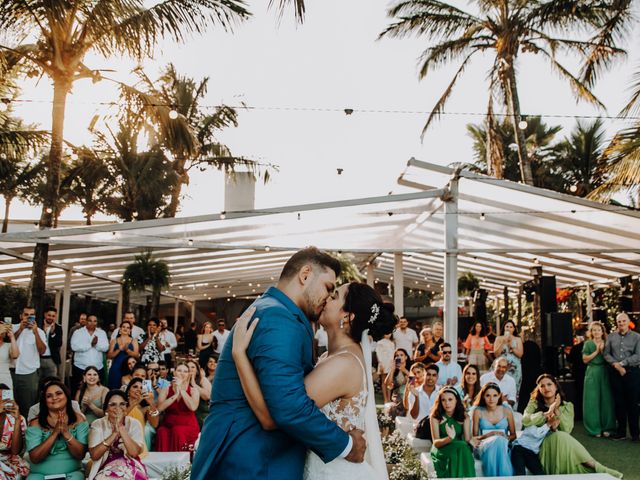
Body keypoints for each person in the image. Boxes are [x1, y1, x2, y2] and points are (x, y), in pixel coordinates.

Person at [190, 248, 371, 480]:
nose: (328, 297)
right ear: (305, 275)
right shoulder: (279, 318)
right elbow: (288, 407)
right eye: (328, 288)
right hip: (253, 459)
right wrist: (346, 444)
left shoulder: (275, 311)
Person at [231, 280, 395, 480]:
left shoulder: (343, 364)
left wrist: (239, 354)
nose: (327, 298)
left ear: (347, 316)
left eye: (334, 296)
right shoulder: (332, 357)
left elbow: (273, 417)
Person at [523, 373, 622, 478]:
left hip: (563, 444)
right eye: (542, 386)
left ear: (555, 386)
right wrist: (547, 413)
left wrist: (556, 410)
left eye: (549, 384)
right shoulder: (533, 404)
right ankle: (599, 467)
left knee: (562, 436)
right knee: (560, 436)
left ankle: (595, 466)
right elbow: (525, 421)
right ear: (538, 389)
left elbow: (567, 429)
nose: (546, 388)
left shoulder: (567, 406)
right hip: (540, 445)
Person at [26, 381, 88, 480]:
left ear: (67, 396)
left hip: (72, 473)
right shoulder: (36, 423)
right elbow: (35, 458)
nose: (54, 398)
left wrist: (66, 433)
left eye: (59, 393)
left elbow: (80, 455)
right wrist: (54, 434)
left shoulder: (79, 419)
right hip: (39, 475)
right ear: (45, 401)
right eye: (49, 396)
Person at [87, 389, 148, 480]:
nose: (118, 408)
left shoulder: (134, 423)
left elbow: (134, 453)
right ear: (106, 408)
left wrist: (121, 428)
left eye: (122, 404)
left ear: (126, 407)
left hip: (130, 465)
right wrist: (114, 433)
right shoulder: (98, 424)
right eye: (113, 404)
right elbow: (95, 455)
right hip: (104, 466)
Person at [604, 312, 640, 441]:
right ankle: (621, 433)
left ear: (628, 321)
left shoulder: (637, 337)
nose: (621, 323)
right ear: (616, 323)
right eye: (619, 321)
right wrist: (616, 365)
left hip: (632, 373)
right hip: (615, 373)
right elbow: (606, 354)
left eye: (624, 321)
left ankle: (635, 434)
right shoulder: (611, 337)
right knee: (619, 403)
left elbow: (638, 355)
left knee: (633, 403)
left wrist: (622, 364)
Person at [429, 387, 475, 478]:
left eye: (450, 399)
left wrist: (473, 441)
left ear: (457, 400)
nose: (447, 403)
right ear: (440, 402)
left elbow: (467, 439)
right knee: (459, 449)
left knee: (463, 447)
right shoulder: (435, 417)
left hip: (459, 447)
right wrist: (449, 438)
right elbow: (436, 443)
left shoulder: (464, 416)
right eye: (443, 400)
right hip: (442, 448)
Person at [471, 383, 515, 477]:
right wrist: (491, 434)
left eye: (495, 395)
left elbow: (513, 435)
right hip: (484, 445)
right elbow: (475, 437)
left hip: (503, 444)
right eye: (488, 395)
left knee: (500, 442)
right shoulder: (478, 411)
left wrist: (505, 437)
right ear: (483, 396)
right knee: (497, 441)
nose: (491, 399)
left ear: (499, 396)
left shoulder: (507, 410)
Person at [155, 362, 200, 451]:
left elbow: (193, 407)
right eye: (179, 370)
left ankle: (182, 463)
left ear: (188, 375)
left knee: (178, 431)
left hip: (188, 426)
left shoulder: (194, 391)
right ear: (174, 372)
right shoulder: (166, 390)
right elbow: (159, 408)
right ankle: (164, 462)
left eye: (185, 371)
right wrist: (175, 395)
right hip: (168, 425)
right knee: (161, 432)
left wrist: (182, 390)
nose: (182, 373)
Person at [582, 321, 616, 437]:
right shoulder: (588, 344)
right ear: (591, 332)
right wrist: (597, 351)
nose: (596, 332)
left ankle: (608, 428)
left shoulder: (607, 343)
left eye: (598, 330)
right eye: (594, 330)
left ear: (602, 332)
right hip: (592, 372)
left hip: (605, 371)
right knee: (592, 400)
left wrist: (603, 352)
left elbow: (611, 358)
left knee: (607, 400)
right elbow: (585, 359)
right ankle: (594, 429)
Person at [12, 307, 46, 417]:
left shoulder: (39, 332)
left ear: (35, 317)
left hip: (29, 374)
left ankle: (27, 432)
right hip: (10, 372)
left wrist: (35, 333)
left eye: (31, 315)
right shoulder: (13, 328)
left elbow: (42, 351)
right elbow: (7, 344)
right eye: (26, 314)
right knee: (9, 405)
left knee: (28, 406)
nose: (28, 317)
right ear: (21, 316)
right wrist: (20, 330)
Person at [70, 314, 109, 395]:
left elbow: (105, 347)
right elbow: (74, 347)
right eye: (90, 321)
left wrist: (96, 345)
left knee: (97, 393)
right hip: (80, 368)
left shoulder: (102, 333)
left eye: (95, 321)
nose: (92, 323)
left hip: (97, 368)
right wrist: (90, 345)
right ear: (86, 321)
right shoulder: (78, 332)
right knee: (78, 391)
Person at [0, 383, 29, 479]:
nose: (1, 401)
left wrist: (17, 420)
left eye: (3, 397)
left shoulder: (16, 419)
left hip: (8, 460)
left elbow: (15, 451)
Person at [125, 378, 159, 453]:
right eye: (135, 387)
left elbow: (155, 424)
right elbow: (120, 418)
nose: (138, 389)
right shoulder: (121, 404)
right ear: (128, 390)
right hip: (122, 440)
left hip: (138, 443)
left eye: (141, 388)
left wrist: (151, 403)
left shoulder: (145, 408)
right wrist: (135, 403)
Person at [107, 321, 140, 390]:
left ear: (130, 330)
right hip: (116, 368)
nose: (125, 329)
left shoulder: (134, 340)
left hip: (129, 368)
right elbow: (109, 356)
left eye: (128, 327)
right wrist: (119, 349)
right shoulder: (114, 340)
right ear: (120, 329)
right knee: (114, 389)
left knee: (129, 389)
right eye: (123, 327)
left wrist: (127, 350)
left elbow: (137, 356)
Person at [493, 320, 523, 393]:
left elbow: (520, 354)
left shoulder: (518, 339)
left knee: (513, 388)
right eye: (507, 326)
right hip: (501, 366)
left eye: (511, 327)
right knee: (499, 387)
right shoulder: (498, 338)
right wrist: (503, 342)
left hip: (514, 367)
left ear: (513, 329)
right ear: (504, 328)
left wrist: (511, 346)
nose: (509, 328)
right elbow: (496, 354)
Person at [186, 359, 212, 427]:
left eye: (193, 367)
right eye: (187, 367)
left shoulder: (203, 380)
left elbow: (207, 396)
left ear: (197, 370)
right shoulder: (181, 381)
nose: (190, 369)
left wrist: (193, 384)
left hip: (201, 413)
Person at [40, 307, 63, 379]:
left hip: (52, 360)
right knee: (37, 384)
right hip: (38, 359)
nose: (51, 317)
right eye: (49, 315)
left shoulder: (58, 328)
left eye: (53, 316)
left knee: (52, 382)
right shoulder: (38, 325)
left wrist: (53, 333)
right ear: (45, 315)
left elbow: (59, 344)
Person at [375, 333, 394, 403]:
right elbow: (378, 353)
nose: (388, 335)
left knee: (389, 381)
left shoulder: (392, 343)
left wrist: (392, 364)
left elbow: (393, 354)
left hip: (390, 363)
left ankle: (389, 398)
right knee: (383, 381)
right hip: (383, 362)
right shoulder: (380, 342)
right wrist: (381, 364)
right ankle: (385, 398)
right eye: (386, 333)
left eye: (389, 333)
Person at [0, 324, 18, 389]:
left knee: (7, 399)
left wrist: (12, 337)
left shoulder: (8, 345)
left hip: (5, 379)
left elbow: (15, 355)